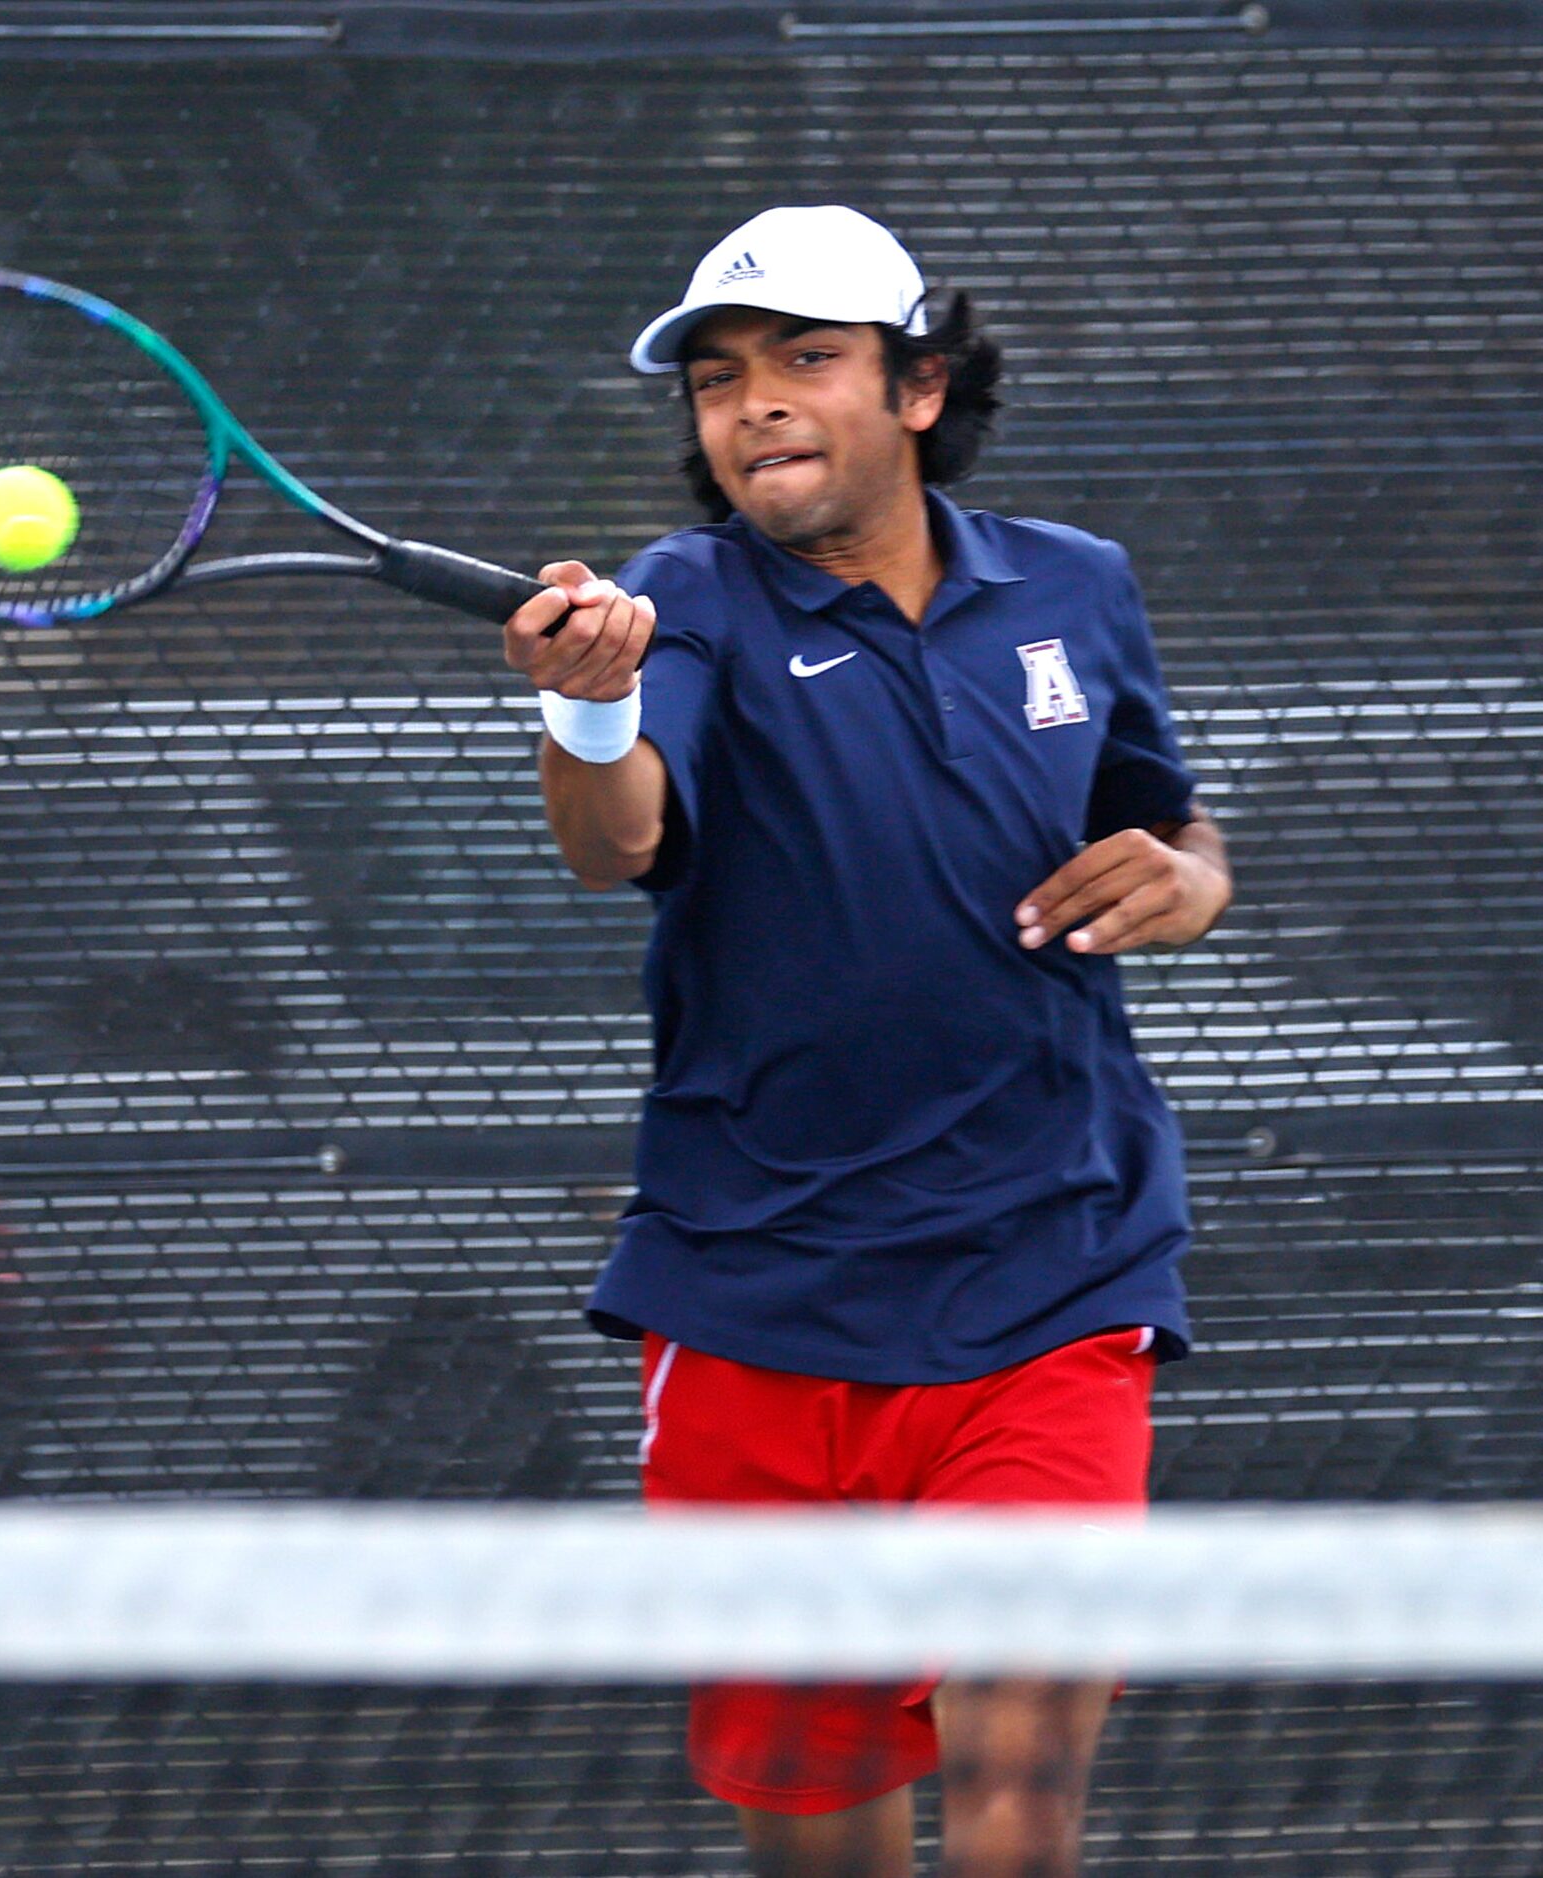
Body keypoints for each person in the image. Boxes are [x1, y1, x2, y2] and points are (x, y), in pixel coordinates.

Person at [499, 208, 1232, 1877]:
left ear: (918, 387)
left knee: (1014, 1782)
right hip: (754, 1295)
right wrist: (590, 704)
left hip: (1051, 1269)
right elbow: (615, 841)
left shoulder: (1073, 586)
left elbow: (1164, 816)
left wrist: (1185, 876)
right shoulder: (679, 599)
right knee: (818, 1834)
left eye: (803, 361)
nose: (752, 402)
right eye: (717, 377)